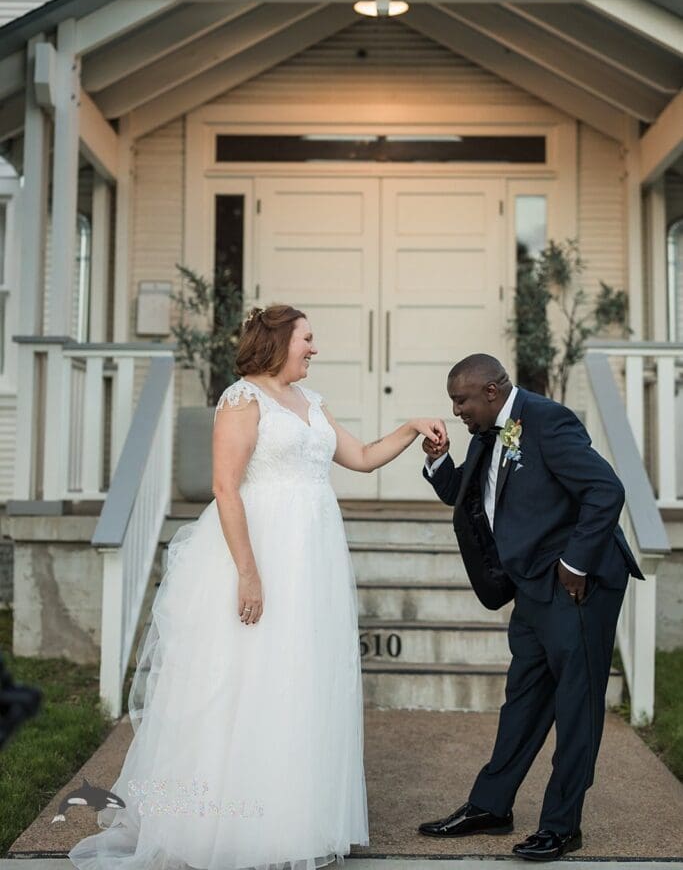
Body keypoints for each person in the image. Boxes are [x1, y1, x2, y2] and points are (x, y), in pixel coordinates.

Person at [69, 303, 447, 870]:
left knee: (297, 685)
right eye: (308, 340)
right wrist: (248, 571)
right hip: (261, 553)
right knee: (246, 683)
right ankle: (226, 827)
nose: (315, 349)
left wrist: (411, 427)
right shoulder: (243, 400)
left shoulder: (311, 404)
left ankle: (287, 822)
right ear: (279, 343)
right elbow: (225, 486)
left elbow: (363, 458)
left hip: (311, 561)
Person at [417, 353, 643, 862]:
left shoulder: (547, 421)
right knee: (522, 701)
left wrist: (576, 563)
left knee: (575, 708)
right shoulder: (487, 433)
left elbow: (606, 490)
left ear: (492, 391)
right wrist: (439, 461)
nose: (455, 410)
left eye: (461, 400)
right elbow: (471, 499)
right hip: (532, 589)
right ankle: (490, 807)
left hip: (577, 588)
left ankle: (562, 826)